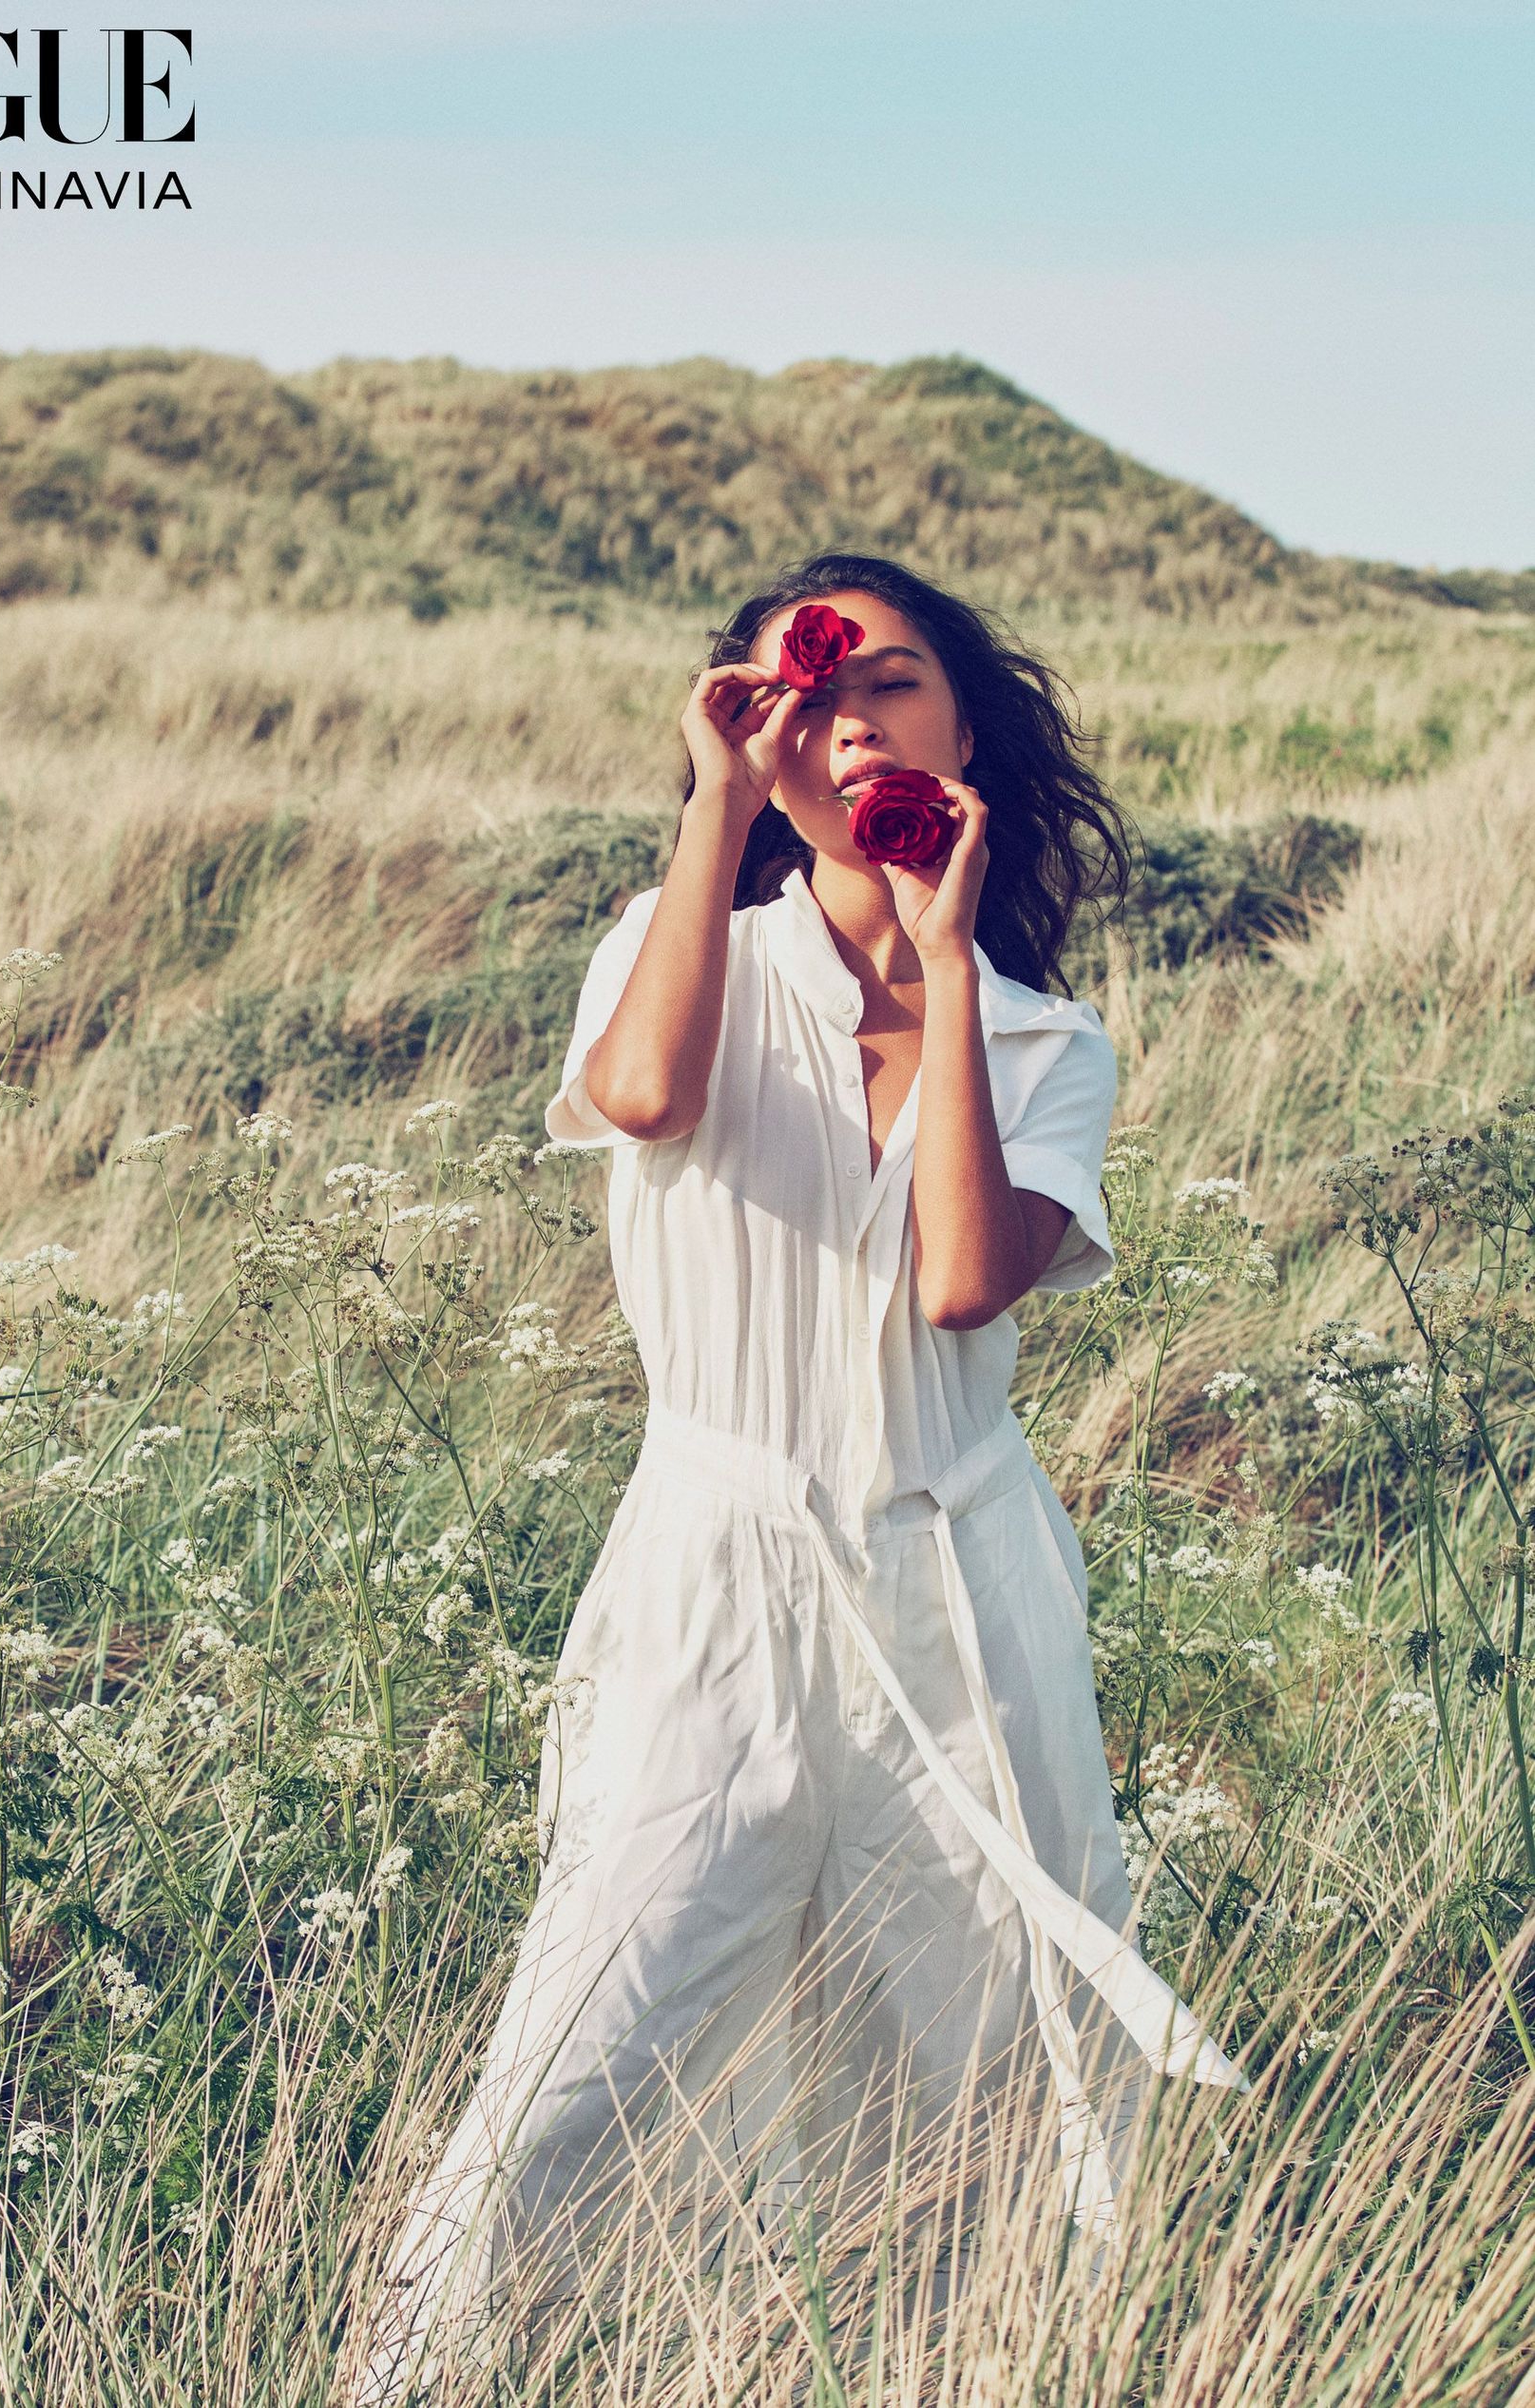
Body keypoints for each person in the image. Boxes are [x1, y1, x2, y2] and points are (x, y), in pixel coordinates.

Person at [355, 551, 1248, 2398]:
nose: (846, 715)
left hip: (957, 1583)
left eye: (891, 681)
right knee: (585, 2051)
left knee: (973, 2074)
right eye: (799, 688)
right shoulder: (675, 941)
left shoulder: (1039, 1038)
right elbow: (641, 1098)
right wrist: (714, 810)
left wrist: (938, 958)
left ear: (966, 727)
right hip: (720, 1565)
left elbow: (959, 1281)